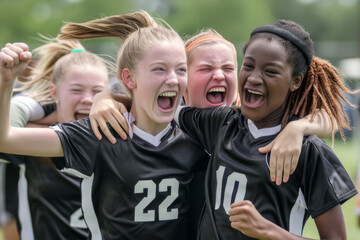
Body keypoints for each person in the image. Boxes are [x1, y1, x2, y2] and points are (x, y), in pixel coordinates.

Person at [88, 20, 358, 239]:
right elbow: (144, 102)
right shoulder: (213, 124)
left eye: (228, 67)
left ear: (295, 81)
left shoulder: (305, 150)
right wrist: (104, 99)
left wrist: (299, 129)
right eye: (205, 68)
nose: (252, 77)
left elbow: (327, 118)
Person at [0, 38, 109, 240]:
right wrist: (6, 82)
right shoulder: (34, 139)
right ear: (54, 93)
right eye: (77, 90)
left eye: (97, 91)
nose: (88, 98)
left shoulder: (119, 140)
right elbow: (5, 133)